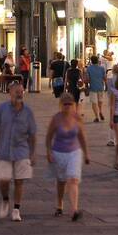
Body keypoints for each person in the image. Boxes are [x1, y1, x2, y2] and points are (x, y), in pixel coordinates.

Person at [0, 80, 37, 221]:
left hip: (22, 151)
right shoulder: (2, 109)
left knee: (19, 181)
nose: (20, 95)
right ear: (10, 93)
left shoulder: (28, 112)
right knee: (4, 180)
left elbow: (32, 134)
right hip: (4, 150)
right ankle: (5, 199)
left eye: (22, 92)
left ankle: (16, 209)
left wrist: (33, 153)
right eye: (17, 92)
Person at [45, 93, 90, 221]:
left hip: (74, 152)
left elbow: (82, 137)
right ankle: (59, 204)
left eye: (70, 104)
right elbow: (49, 136)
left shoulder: (77, 118)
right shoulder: (56, 118)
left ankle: (74, 209)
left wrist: (86, 154)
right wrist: (48, 152)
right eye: (65, 104)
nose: (68, 107)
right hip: (59, 152)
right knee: (61, 181)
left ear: (74, 105)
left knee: (73, 179)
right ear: (61, 105)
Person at [85, 55, 107, 123]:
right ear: (97, 60)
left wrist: (86, 84)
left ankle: (97, 116)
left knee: (94, 102)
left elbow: (88, 79)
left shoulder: (89, 68)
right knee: (100, 100)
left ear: (91, 61)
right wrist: (106, 86)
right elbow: (105, 78)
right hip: (100, 86)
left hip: (93, 87)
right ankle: (100, 111)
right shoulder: (102, 68)